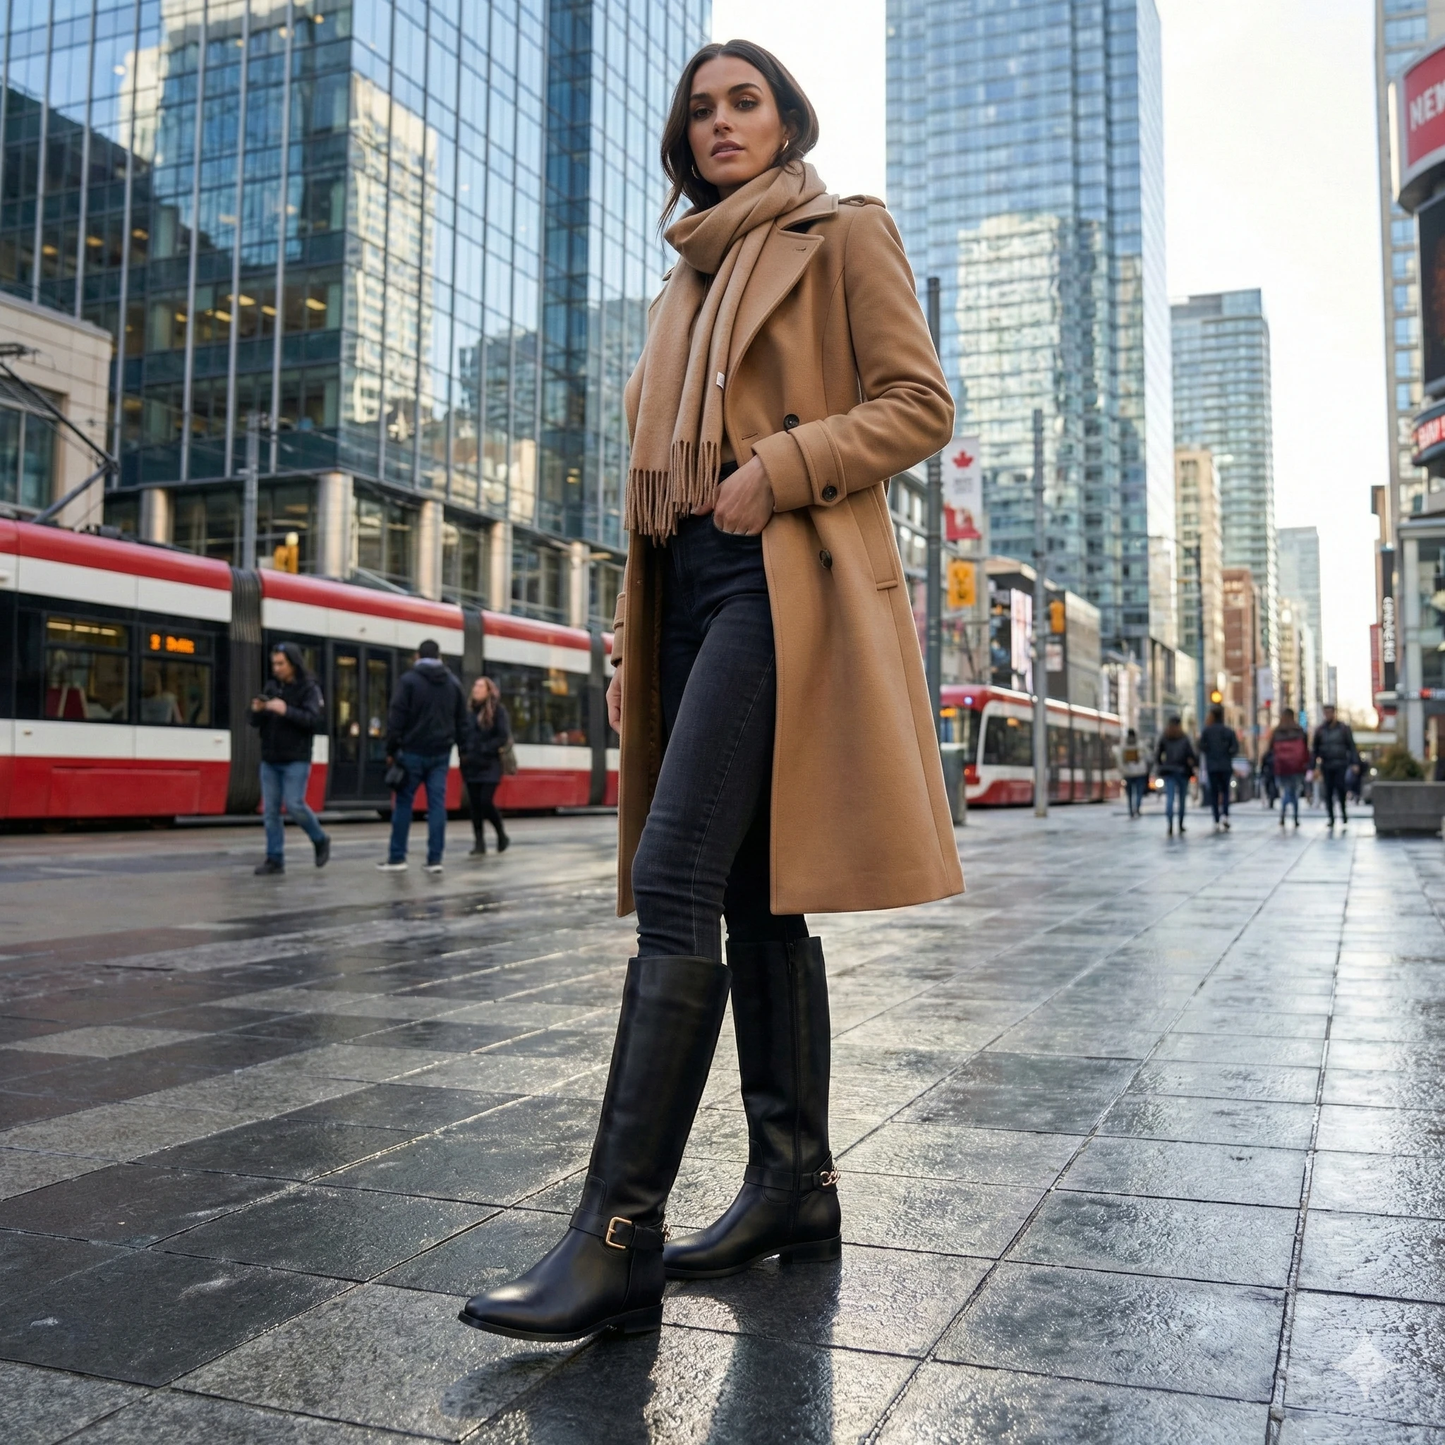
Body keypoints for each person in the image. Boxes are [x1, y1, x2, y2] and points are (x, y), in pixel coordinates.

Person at [457, 40, 959, 1345]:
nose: (722, 121)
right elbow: (655, 477)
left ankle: (615, 1235)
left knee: (678, 872)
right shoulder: (681, 280)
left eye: (745, 101)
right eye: (702, 109)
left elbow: (916, 405)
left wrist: (782, 463)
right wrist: (635, 626)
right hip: (686, 593)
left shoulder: (842, 234)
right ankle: (797, 1181)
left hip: (782, 581)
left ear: (784, 118)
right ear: (683, 142)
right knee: (753, 891)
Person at [378, 639, 468, 874]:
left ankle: (397, 858)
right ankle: (435, 859)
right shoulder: (453, 684)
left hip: (411, 752)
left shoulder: (409, 681)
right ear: (440, 657)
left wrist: (391, 749)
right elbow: (462, 721)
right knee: (437, 806)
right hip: (441, 754)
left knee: (404, 804)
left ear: (418, 655)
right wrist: (462, 749)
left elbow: (396, 717)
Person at [248, 642, 329, 875]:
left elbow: (313, 721)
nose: (276, 668)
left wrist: (286, 710)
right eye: (274, 663)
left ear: (293, 663)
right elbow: (255, 723)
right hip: (270, 757)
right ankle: (275, 858)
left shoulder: (309, 689)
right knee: (270, 811)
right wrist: (257, 710)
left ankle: (320, 838)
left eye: (281, 663)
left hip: (296, 757)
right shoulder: (272, 686)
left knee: (294, 804)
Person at [460, 676, 512, 856]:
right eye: (475, 685)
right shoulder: (468, 711)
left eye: (480, 686)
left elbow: (502, 736)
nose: (476, 689)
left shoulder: (498, 710)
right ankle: (479, 843)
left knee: (485, 801)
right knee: (474, 806)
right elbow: (461, 733)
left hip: (490, 765)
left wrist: (484, 748)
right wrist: (463, 752)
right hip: (471, 765)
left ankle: (501, 834)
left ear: (488, 690)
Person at [1313, 704, 1360, 830]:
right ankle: (1331, 818)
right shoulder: (1320, 730)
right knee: (1328, 791)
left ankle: (1343, 814)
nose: (1328, 715)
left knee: (1340, 789)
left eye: (1330, 712)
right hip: (1326, 764)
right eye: (1326, 713)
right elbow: (1315, 749)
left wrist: (1355, 763)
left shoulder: (1343, 728)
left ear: (1334, 713)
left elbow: (1351, 746)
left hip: (1340, 764)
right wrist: (1313, 767)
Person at [1198, 705, 1240, 832]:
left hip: (1212, 766)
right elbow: (1235, 748)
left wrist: (1210, 752)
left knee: (1214, 793)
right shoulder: (1228, 731)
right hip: (1225, 765)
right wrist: (1227, 753)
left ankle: (1216, 819)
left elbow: (1201, 746)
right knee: (1225, 792)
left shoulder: (1207, 731)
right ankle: (1225, 816)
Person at [1154, 715, 1197, 837]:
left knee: (1170, 798)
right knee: (1182, 799)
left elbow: (1158, 755)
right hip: (1182, 771)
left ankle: (1170, 824)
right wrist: (1193, 765)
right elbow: (1191, 755)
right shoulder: (1184, 738)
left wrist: (1162, 765)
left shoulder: (1165, 737)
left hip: (1169, 771)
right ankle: (1180, 824)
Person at [1269, 707, 1310, 829]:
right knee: (1294, 792)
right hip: (1296, 767)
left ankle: (1283, 815)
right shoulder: (1299, 731)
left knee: (1285, 791)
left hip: (1281, 767)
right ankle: (1296, 817)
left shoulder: (1277, 731)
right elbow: (1306, 750)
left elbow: (1270, 750)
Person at [1119, 728, 1149, 818]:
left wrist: (1122, 770)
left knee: (1130, 794)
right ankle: (1137, 808)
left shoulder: (1124, 746)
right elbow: (1147, 756)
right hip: (1140, 772)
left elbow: (1120, 759)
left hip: (1128, 773)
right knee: (1139, 793)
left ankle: (1131, 810)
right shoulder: (1140, 745)